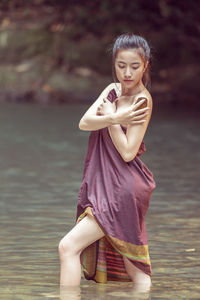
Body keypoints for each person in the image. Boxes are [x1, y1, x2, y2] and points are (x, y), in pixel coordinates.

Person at [58, 33, 156, 290]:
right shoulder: (112, 91)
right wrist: (114, 117)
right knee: (132, 266)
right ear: (114, 63)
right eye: (121, 65)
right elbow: (84, 122)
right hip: (108, 185)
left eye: (134, 66)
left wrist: (113, 117)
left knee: (68, 247)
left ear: (145, 64)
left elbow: (127, 152)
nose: (127, 72)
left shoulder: (141, 100)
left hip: (124, 187)